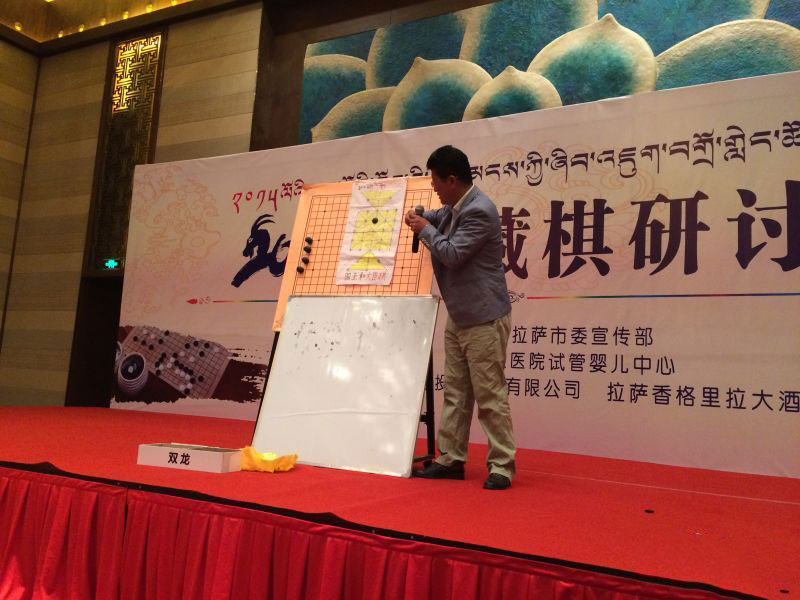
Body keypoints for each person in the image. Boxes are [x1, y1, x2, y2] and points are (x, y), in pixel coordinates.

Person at [405, 145, 515, 490]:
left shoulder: (479, 210)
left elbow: (452, 254)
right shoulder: (456, 207)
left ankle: (502, 465)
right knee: (455, 392)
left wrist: (424, 228)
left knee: (489, 395)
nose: (434, 188)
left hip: (483, 315)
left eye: (436, 183)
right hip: (460, 314)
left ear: (452, 180)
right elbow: (437, 217)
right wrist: (421, 217)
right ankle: (451, 458)